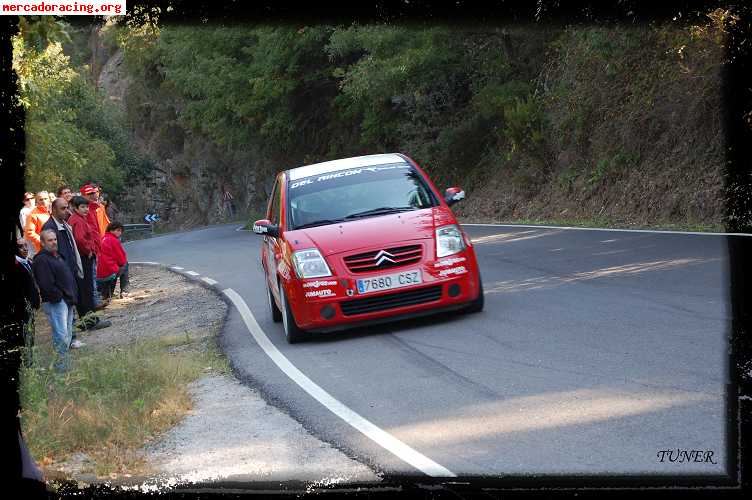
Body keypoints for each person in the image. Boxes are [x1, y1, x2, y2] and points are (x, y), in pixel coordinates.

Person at [32, 230, 77, 373]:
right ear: (42, 243)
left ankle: (65, 366)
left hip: (67, 300)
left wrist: (70, 296)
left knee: (67, 335)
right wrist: (60, 296)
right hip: (56, 302)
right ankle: (61, 369)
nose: (54, 242)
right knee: (61, 336)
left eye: (55, 239)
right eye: (50, 240)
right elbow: (45, 285)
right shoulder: (41, 259)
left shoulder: (57, 256)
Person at [69, 196, 112, 330]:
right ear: (75, 208)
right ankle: (91, 322)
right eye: (82, 207)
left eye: (86, 207)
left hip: (82, 257)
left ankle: (85, 322)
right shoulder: (77, 220)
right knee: (86, 290)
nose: (86, 209)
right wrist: (89, 250)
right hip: (84, 258)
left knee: (84, 290)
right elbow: (80, 239)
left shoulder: (79, 219)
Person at [12, 238, 41, 366]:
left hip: (30, 306)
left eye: (26, 245)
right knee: (25, 336)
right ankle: (27, 363)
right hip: (21, 308)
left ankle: (31, 361)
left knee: (31, 334)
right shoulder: (16, 265)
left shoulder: (28, 262)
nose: (25, 248)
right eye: (20, 247)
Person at [97, 222, 129, 300]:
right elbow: (122, 260)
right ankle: (124, 291)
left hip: (99, 274)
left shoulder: (103, 238)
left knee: (113, 268)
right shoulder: (114, 240)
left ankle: (105, 294)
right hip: (110, 273)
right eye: (117, 230)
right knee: (125, 265)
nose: (119, 233)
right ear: (111, 230)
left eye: (120, 231)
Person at [23, 191, 51, 257]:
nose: (44, 201)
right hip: (43, 249)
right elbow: (29, 232)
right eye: (41, 199)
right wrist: (43, 241)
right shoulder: (32, 215)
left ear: (49, 199)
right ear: (36, 201)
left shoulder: (53, 210)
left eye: (45, 198)